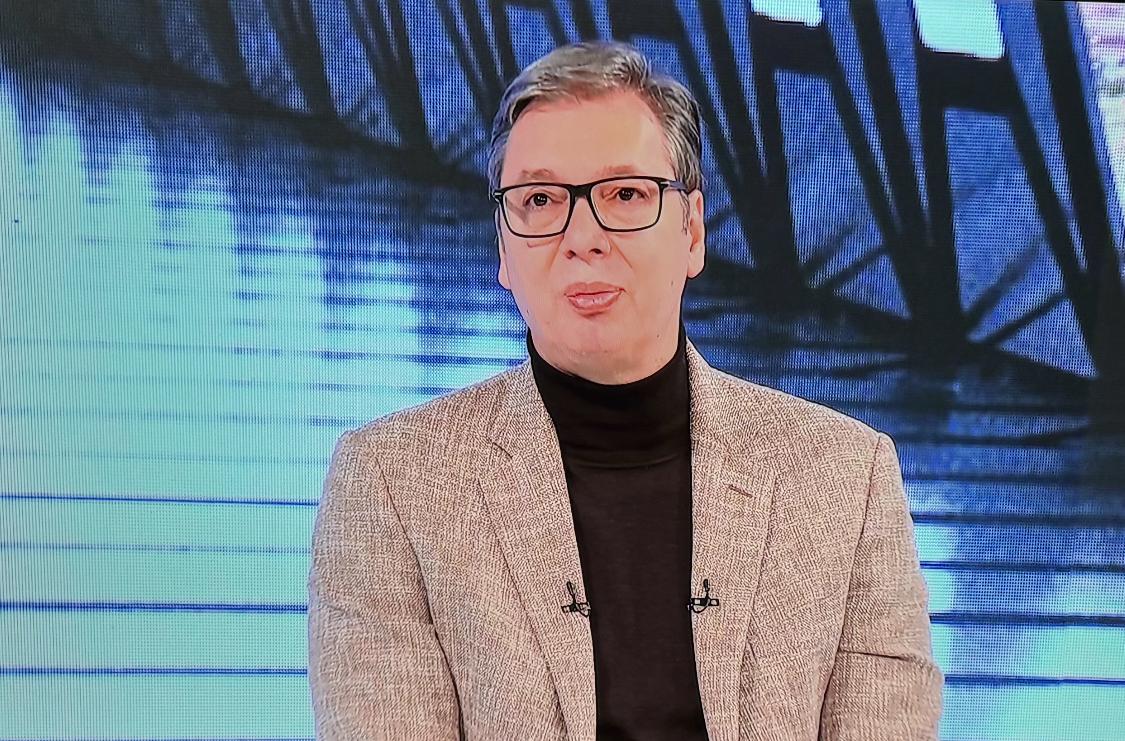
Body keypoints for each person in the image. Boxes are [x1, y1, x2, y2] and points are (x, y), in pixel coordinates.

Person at [307, 40, 943, 740]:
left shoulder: (844, 477)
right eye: (540, 200)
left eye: (625, 194)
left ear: (691, 231)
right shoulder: (394, 483)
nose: (583, 237)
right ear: (503, 249)